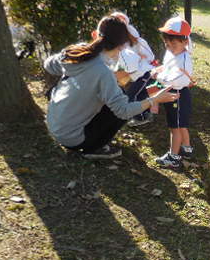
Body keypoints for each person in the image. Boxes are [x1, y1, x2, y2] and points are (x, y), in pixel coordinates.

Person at [44, 15, 178, 159]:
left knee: (115, 93)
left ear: (96, 34)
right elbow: (124, 111)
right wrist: (154, 99)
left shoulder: (77, 51)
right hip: (74, 140)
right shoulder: (103, 73)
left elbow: (49, 66)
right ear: (121, 46)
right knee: (122, 100)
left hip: (53, 125)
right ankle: (93, 148)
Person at [152, 17, 194, 170]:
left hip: (177, 94)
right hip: (176, 94)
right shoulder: (175, 52)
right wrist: (160, 69)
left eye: (173, 44)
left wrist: (160, 77)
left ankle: (174, 157)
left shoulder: (184, 60)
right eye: (166, 44)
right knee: (181, 124)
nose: (169, 47)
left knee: (174, 128)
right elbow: (168, 66)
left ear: (185, 42)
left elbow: (178, 79)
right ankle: (187, 148)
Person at [110, 12, 156, 127]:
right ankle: (146, 115)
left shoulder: (133, 41)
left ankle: (139, 118)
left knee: (132, 96)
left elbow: (146, 57)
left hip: (144, 73)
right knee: (141, 96)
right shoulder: (117, 43)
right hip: (137, 75)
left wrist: (140, 60)